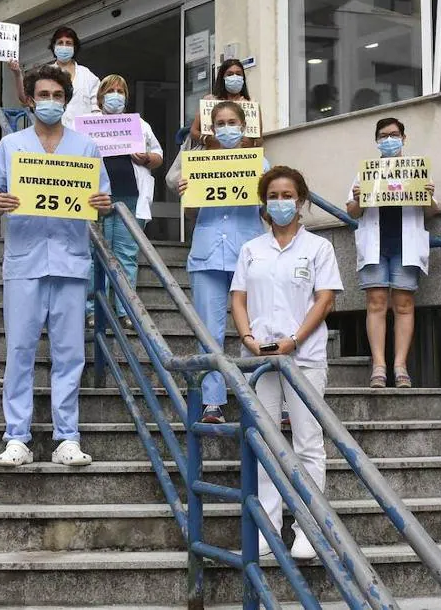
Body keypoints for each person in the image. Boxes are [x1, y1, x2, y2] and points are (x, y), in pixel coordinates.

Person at [0, 65, 112, 467]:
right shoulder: (11, 145)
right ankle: (17, 437)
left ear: (67, 99)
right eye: (43, 95)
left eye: (58, 96)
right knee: (20, 350)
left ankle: (67, 437)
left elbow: (103, 199)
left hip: (70, 261)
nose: (50, 102)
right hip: (24, 260)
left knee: (70, 353)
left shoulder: (86, 147)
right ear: (30, 99)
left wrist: (102, 206)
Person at [231, 166, 343, 559]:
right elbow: (239, 299)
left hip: (305, 358)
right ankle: (266, 526)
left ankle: (309, 530)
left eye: (287, 196)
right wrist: (247, 338)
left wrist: (294, 340)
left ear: (301, 201)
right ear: (264, 203)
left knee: (308, 444)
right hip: (259, 360)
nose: (280, 202)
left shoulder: (319, 248)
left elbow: (325, 299)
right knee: (265, 442)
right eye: (273, 196)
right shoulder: (251, 249)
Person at [178, 101, 268, 424]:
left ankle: (260, 397)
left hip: (249, 253)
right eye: (221, 123)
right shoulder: (198, 163)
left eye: (233, 122)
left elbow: (270, 211)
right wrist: (187, 194)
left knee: (256, 330)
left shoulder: (260, 164)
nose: (227, 128)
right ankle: (212, 402)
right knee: (209, 332)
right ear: (212, 129)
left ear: (244, 127)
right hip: (207, 254)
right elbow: (191, 214)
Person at [344, 118, 437, 388]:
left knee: (404, 305)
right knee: (375, 303)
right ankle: (379, 367)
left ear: (404, 138)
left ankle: (400, 366)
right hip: (376, 244)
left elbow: (432, 211)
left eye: (394, 135)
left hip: (404, 246)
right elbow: (352, 211)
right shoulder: (366, 172)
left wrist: (429, 196)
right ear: (376, 141)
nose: (389, 140)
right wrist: (359, 198)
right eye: (383, 136)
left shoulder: (417, 170)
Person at [85, 75, 163, 330]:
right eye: (110, 90)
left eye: (120, 90)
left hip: (130, 197)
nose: (116, 95)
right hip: (96, 198)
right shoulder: (88, 125)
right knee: (94, 254)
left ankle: (125, 310)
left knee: (126, 254)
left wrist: (146, 157)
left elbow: (159, 156)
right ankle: (93, 310)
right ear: (100, 97)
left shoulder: (138, 125)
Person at [188, 58, 254, 144]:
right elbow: (193, 131)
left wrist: (252, 143)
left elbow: (259, 138)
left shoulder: (250, 104)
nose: (235, 77)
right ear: (222, 78)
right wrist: (206, 140)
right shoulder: (209, 100)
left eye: (238, 74)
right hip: (212, 152)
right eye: (230, 74)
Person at [47, 26, 100, 128]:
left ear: (74, 47)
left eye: (68, 43)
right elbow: (30, 100)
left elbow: (97, 107)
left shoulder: (87, 75)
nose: (64, 46)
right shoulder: (46, 73)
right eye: (60, 43)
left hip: (83, 135)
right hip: (54, 133)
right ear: (54, 46)